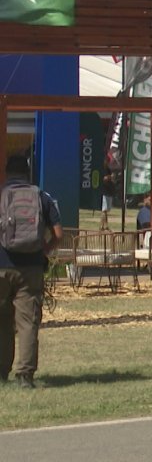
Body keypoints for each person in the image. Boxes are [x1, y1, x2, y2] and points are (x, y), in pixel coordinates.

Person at [0, 155, 63, 389]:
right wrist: (43, 250)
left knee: (2, 321)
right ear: (27, 174)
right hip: (31, 269)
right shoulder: (42, 197)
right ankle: (25, 375)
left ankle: (1, 371)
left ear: (7, 173)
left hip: (1, 267)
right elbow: (58, 234)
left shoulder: (1, 194)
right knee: (27, 323)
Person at [100, 164, 116, 230]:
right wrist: (110, 176)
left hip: (109, 191)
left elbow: (113, 178)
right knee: (104, 210)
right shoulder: (101, 169)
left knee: (106, 210)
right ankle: (101, 226)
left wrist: (112, 177)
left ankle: (106, 226)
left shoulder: (108, 169)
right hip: (104, 192)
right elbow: (104, 179)